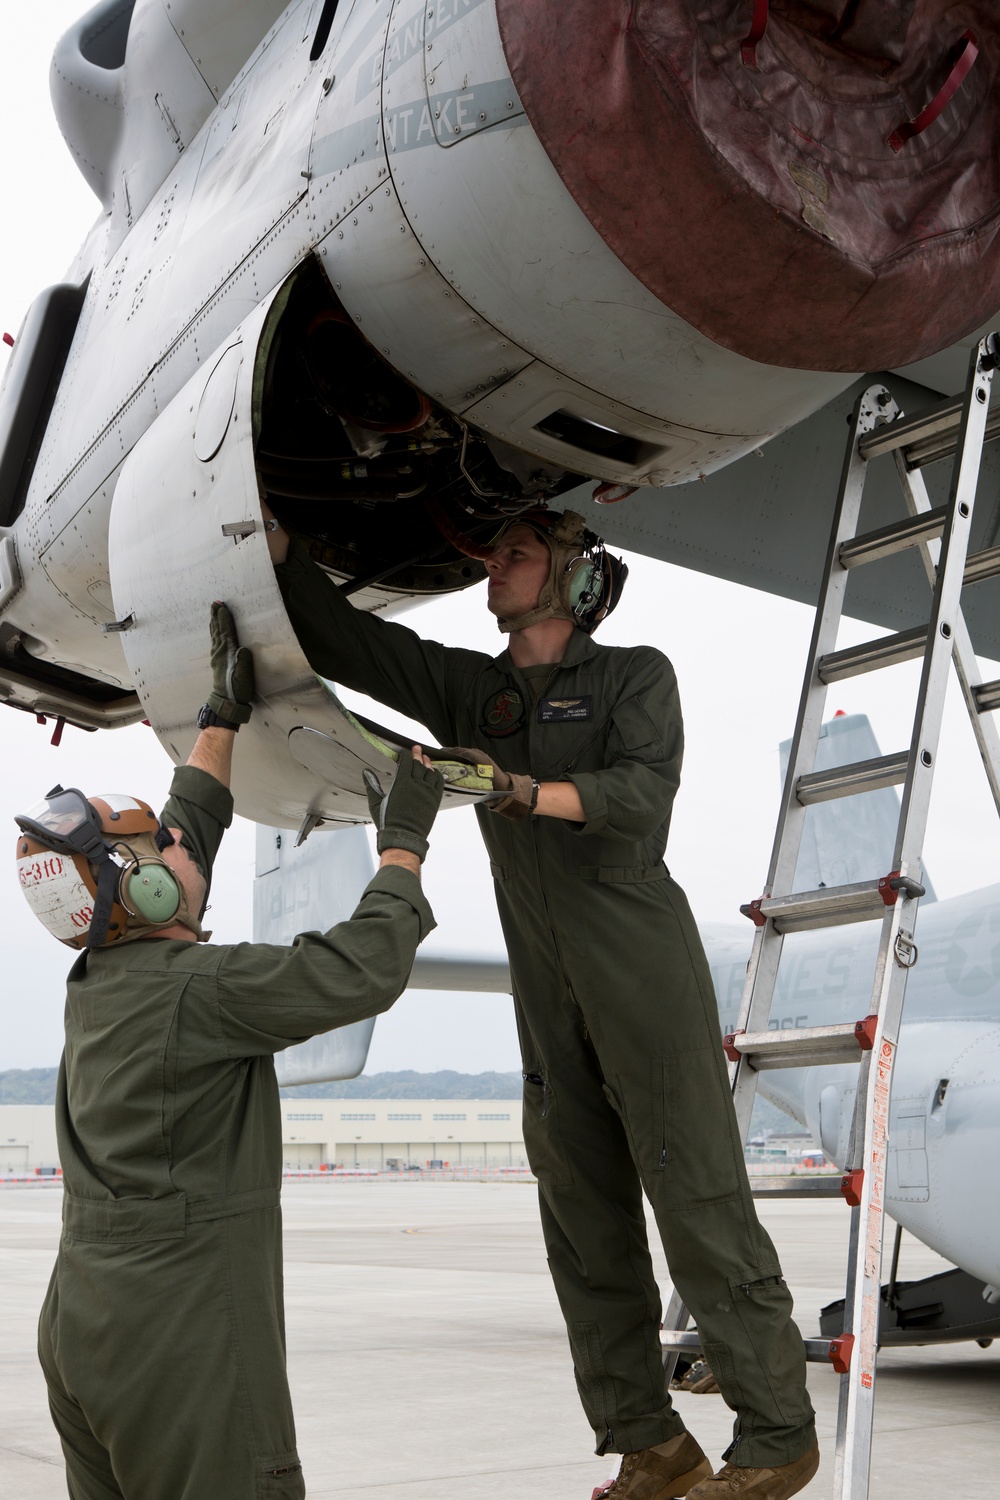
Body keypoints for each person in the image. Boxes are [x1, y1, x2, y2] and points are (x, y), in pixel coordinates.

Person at [266, 506, 820, 1500]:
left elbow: (640, 796)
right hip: (544, 980)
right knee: (579, 1214)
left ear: (571, 579)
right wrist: (273, 551)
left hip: (638, 961)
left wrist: (522, 789)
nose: (494, 569)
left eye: (516, 556)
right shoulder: (475, 693)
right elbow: (355, 643)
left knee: (693, 1197)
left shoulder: (633, 676)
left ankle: (776, 1434)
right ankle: (647, 1443)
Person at [16, 602, 445, 1500]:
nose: (177, 843)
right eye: (155, 848)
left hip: (85, 1329)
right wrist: (403, 848)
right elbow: (361, 969)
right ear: (139, 885)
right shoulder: (197, 993)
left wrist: (219, 721)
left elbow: (181, 847)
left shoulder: (101, 978)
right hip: (180, 1342)